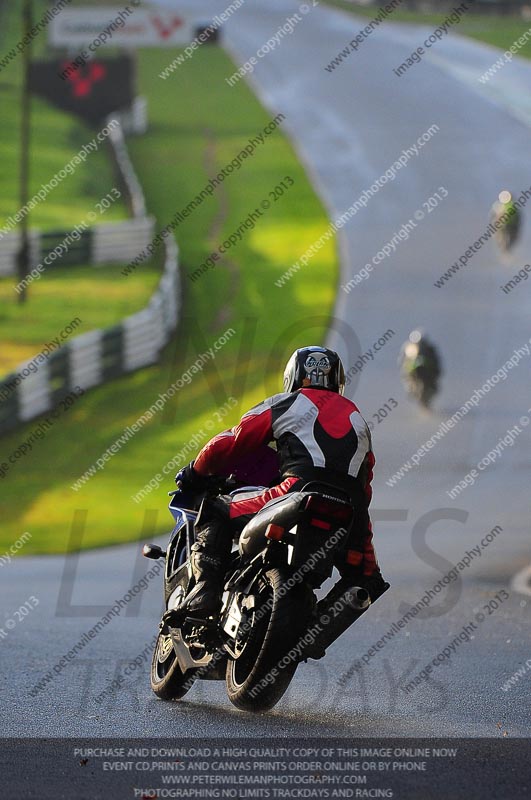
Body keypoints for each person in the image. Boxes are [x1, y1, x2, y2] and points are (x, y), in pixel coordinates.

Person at [176, 346, 388, 617]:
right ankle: (319, 623)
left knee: (215, 509)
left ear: (292, 376)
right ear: (338, 382)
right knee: (368, 577)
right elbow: (365, 483)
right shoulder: (359, 421)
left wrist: (195, 471)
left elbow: (233, 440)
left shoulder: (287, 403)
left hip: (295, 491)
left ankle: (205, 593)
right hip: (351, 510)